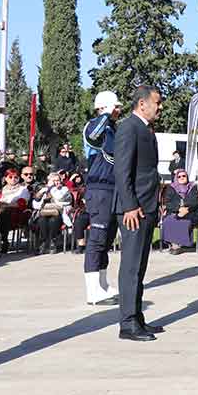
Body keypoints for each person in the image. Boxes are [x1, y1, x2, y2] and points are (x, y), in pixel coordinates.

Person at [114, 85, 164, 342]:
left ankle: (137, 317)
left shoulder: (145, 129)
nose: (160, 106)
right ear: (142, 104)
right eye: (157, 102)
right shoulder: (128, 128)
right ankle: (127, 323)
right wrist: (129, 206)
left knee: (140, 267)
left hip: (146, 206)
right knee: (131, 267)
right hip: (133, 209)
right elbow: (122, 172)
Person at [82, 90, 123, 306]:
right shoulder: (95, 125)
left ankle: (103, 284)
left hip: (113, 189)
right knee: (97, 239)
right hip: (99, 189)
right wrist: (105, 114)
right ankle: (92, 291)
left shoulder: (113, 129)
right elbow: (93, 136)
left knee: (107, 240)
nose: (119, 110)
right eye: (115, 106)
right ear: (105, 106)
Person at [161, 168, 198, 255]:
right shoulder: (171, 188)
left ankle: (178, 246)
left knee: (184, 222)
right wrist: (178, 209)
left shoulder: (193, 187)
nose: (182, 177)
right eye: (179, 176)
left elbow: (196, 201)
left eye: (184, 176)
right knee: (169, 221)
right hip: (174, 211)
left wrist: (186, 209)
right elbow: (168, 203)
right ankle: (174, 245)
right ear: (176, 177)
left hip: (190, 212)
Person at [31, 172, 72, 254]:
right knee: (41, 220)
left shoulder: (64, 189)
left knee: (53, 220)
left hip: (59, 212)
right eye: (53, 181)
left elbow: (60, 199)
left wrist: (51, 189)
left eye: (57, 180)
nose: (56, 182)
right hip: (44, 212)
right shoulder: (43, 189)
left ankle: (52, 242)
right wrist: (43, 191)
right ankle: (43, 242)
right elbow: (35, 204)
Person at [0, 168, 30, 255]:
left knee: (4, 213)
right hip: (0, 213)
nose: (13, 179)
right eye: (10, 177)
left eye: (16, 177)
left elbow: (22, 204)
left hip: (17, 214)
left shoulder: (23, 189)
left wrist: (5, 205)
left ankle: (3, 241)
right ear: (5, 178)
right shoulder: (1, 190)